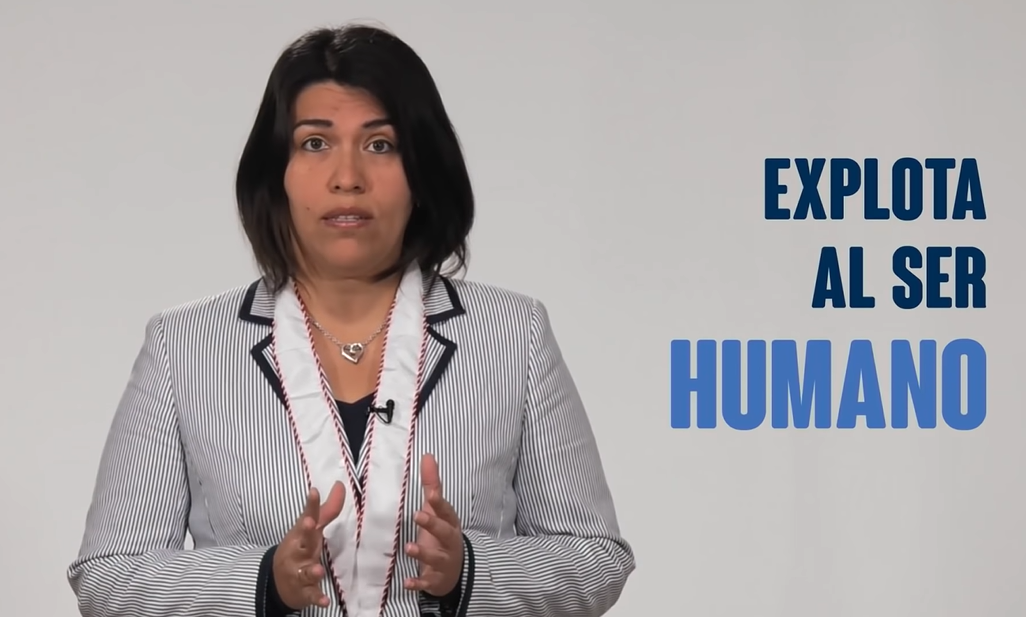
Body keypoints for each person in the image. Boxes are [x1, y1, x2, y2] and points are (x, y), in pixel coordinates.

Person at [66, 23, 634, 617]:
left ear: (421, 172)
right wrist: (263, 582)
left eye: (380, 145)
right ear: (277, 173)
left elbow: (595, 557)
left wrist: (468, 572)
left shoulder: (514, 335)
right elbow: (108, 577)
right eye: (315, 143)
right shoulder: (183, 346)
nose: (347, 177)